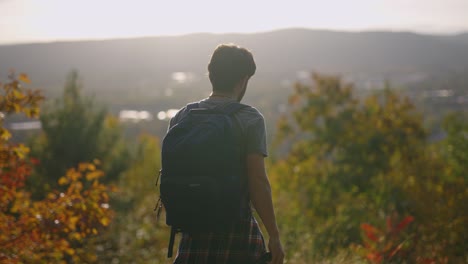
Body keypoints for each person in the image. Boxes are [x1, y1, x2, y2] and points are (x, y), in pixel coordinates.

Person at [167, 44, 284, 264]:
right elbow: (257, 181)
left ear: (212, 75)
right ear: (243, 80)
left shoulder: (182, 117)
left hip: (192, 236)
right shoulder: (249, 119)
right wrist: (274, 235)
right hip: (237, 235)